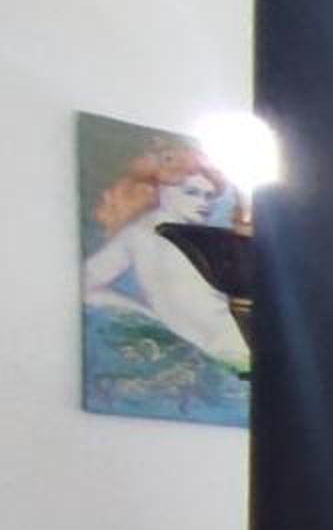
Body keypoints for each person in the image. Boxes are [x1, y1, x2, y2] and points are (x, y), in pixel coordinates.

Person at [82, 141, 249, 368]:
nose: (203, 203)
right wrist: (144, 312)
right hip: (226, 352)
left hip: (232, 349)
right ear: (162, 189)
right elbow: (85, 284)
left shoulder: (192, 237)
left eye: (209, 196)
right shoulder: (139, 235)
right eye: (192, 192)